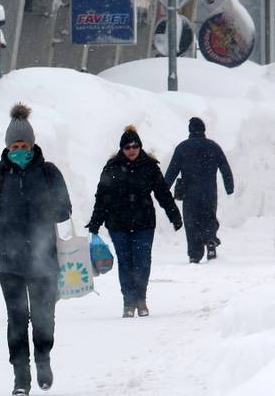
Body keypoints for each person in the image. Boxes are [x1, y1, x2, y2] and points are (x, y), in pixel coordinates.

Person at [0, 104, 72, 396]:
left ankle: (44, 358)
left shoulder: (48, 174)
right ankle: (21, 374)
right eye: (14, 145)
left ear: (33, 145)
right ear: (7, 146)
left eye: (24, 145)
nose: (19, 150)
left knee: (43, 314)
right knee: (17, 317)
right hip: (9, 261)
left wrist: (54, 205)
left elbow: (64, 212)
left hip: (44, 258)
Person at [87, 125, 182, 318]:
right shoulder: (112, 168)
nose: (131, 150)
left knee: (142, 262)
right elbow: (102, 197)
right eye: (127, 147)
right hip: (118, 223)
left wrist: (174, 215)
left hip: (144, 223)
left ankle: (141, 299)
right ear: (122, 149)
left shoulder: (150, 167)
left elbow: (162, 193)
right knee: (126, 262)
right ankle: (128, 302)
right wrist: (96, 221)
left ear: (140, 147)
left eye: (135, 146)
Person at [164, 117, 234, 263]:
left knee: (191, 222)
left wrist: (163, 188)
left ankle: (195, 255)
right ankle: (210, 240)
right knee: (209, 218)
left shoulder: (182, 148)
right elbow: (225, 168)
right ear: (203, 130)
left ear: (190, 130)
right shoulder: (213, 147)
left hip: (190, 193)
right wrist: (229, 187)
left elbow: (172, 170)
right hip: (209, 192)